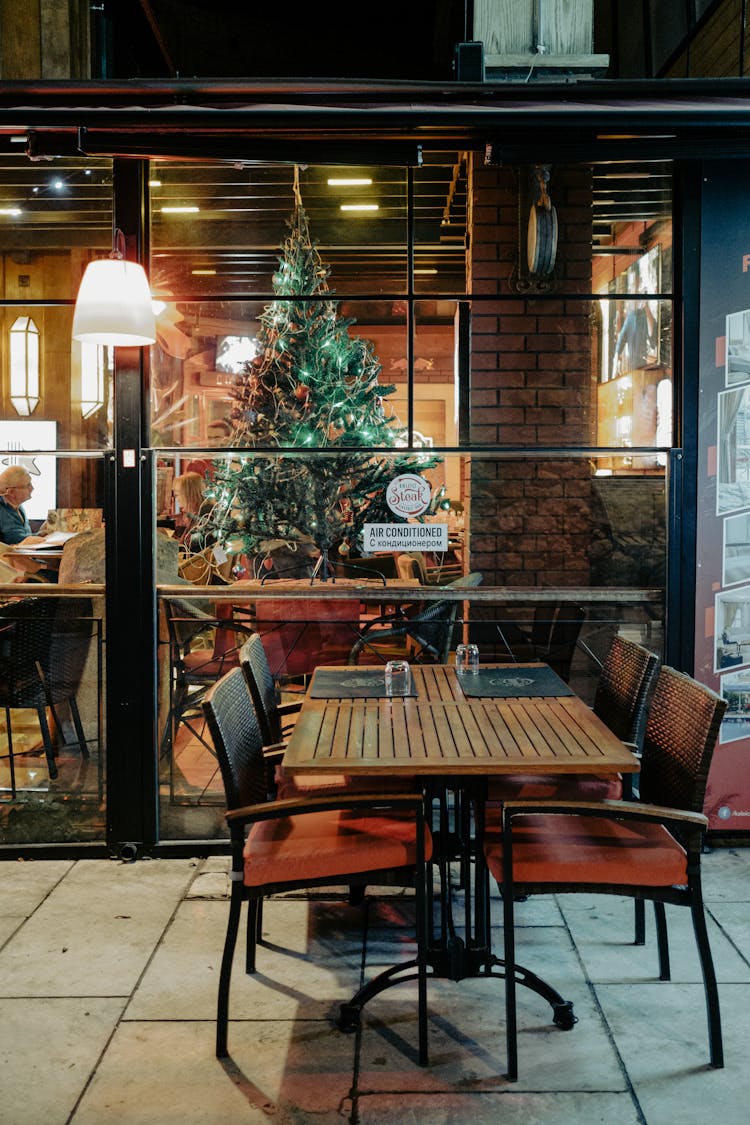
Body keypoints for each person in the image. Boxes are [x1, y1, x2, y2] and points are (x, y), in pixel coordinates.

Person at [0, 465, 54, 580]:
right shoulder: (1, 510)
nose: (32, 488)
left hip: (26, 561)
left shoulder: (18, 507)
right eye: (28, 485)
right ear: (12, 492)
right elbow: (15, 540)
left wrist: (41, 533)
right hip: (11, 570)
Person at [173, 471, 214, 548]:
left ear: (190, 494)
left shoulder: (206, 515)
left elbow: (216, 551)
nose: (177, 499)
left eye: (178, 494)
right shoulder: (199, 513)